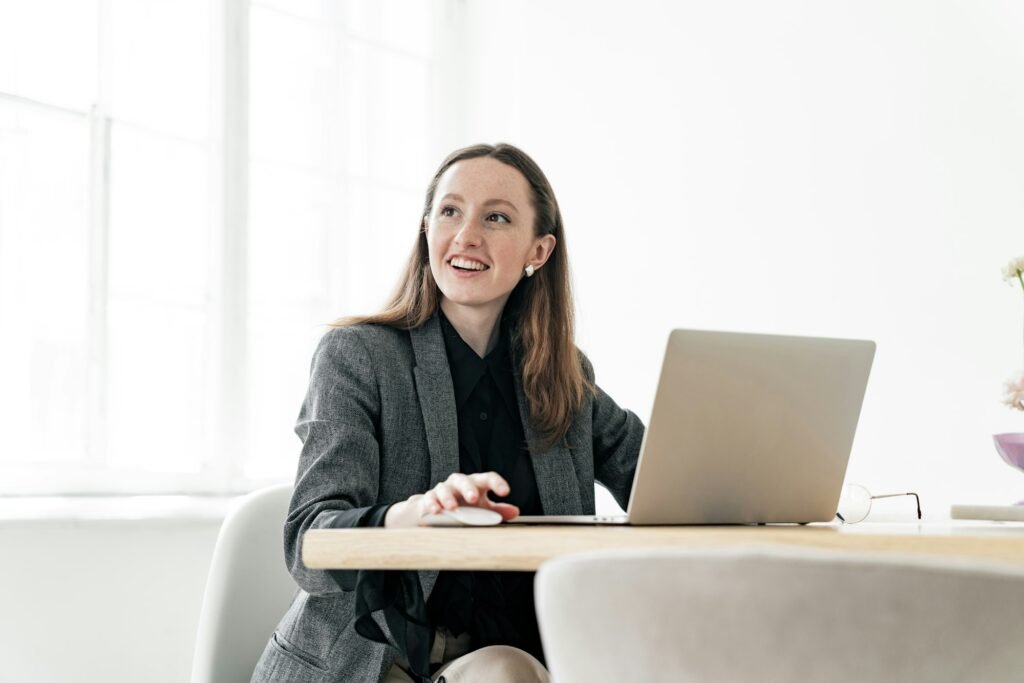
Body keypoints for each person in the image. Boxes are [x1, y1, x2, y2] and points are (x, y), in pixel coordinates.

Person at [251, 143, 645, 683]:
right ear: (427, 230)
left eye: (497, 217)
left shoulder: (565, 377)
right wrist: (411, 516)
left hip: (499, 663)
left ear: (540, 250)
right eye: (450, 211)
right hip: (369, 665)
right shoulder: (358, 356)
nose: (466, 236)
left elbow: (657, 475)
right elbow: (308, 543)